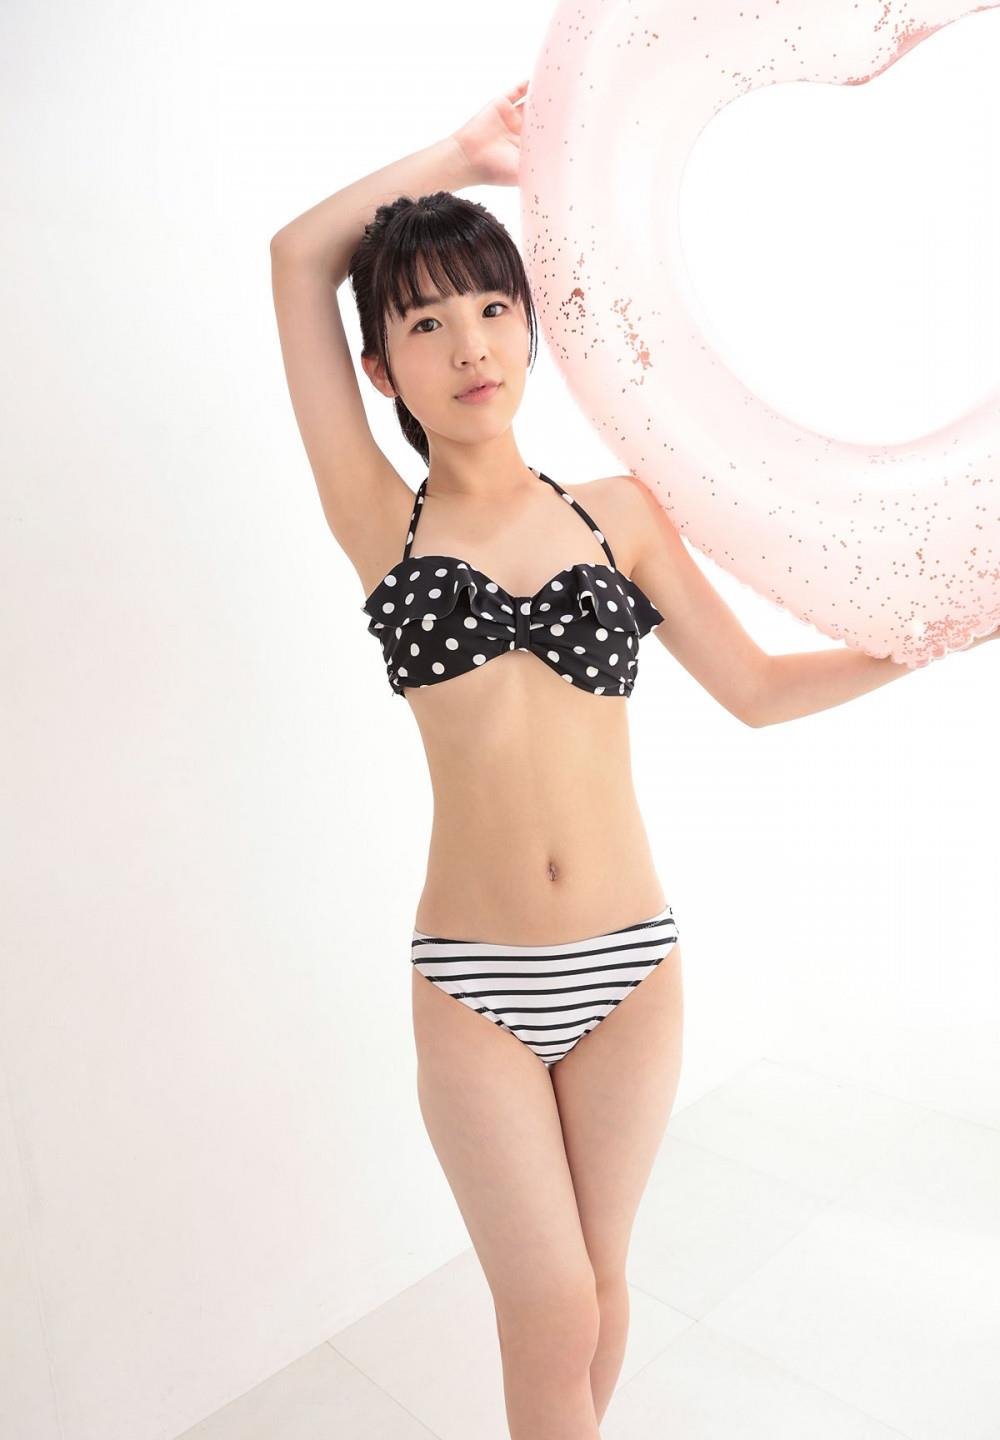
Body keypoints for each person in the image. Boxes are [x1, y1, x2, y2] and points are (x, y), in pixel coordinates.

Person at [269, 78, 955, 1440]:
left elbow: (755, 691)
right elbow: (297, 259)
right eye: (424, 322)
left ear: (530, 326)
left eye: (491, 307)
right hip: (475, 983)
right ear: (381, 370)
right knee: (547, 1309)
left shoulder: (620, 516)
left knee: (597, 1289)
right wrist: (463, 154)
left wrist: (917, 643)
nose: (470, 343)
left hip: (631, 968)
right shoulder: (380, 523)